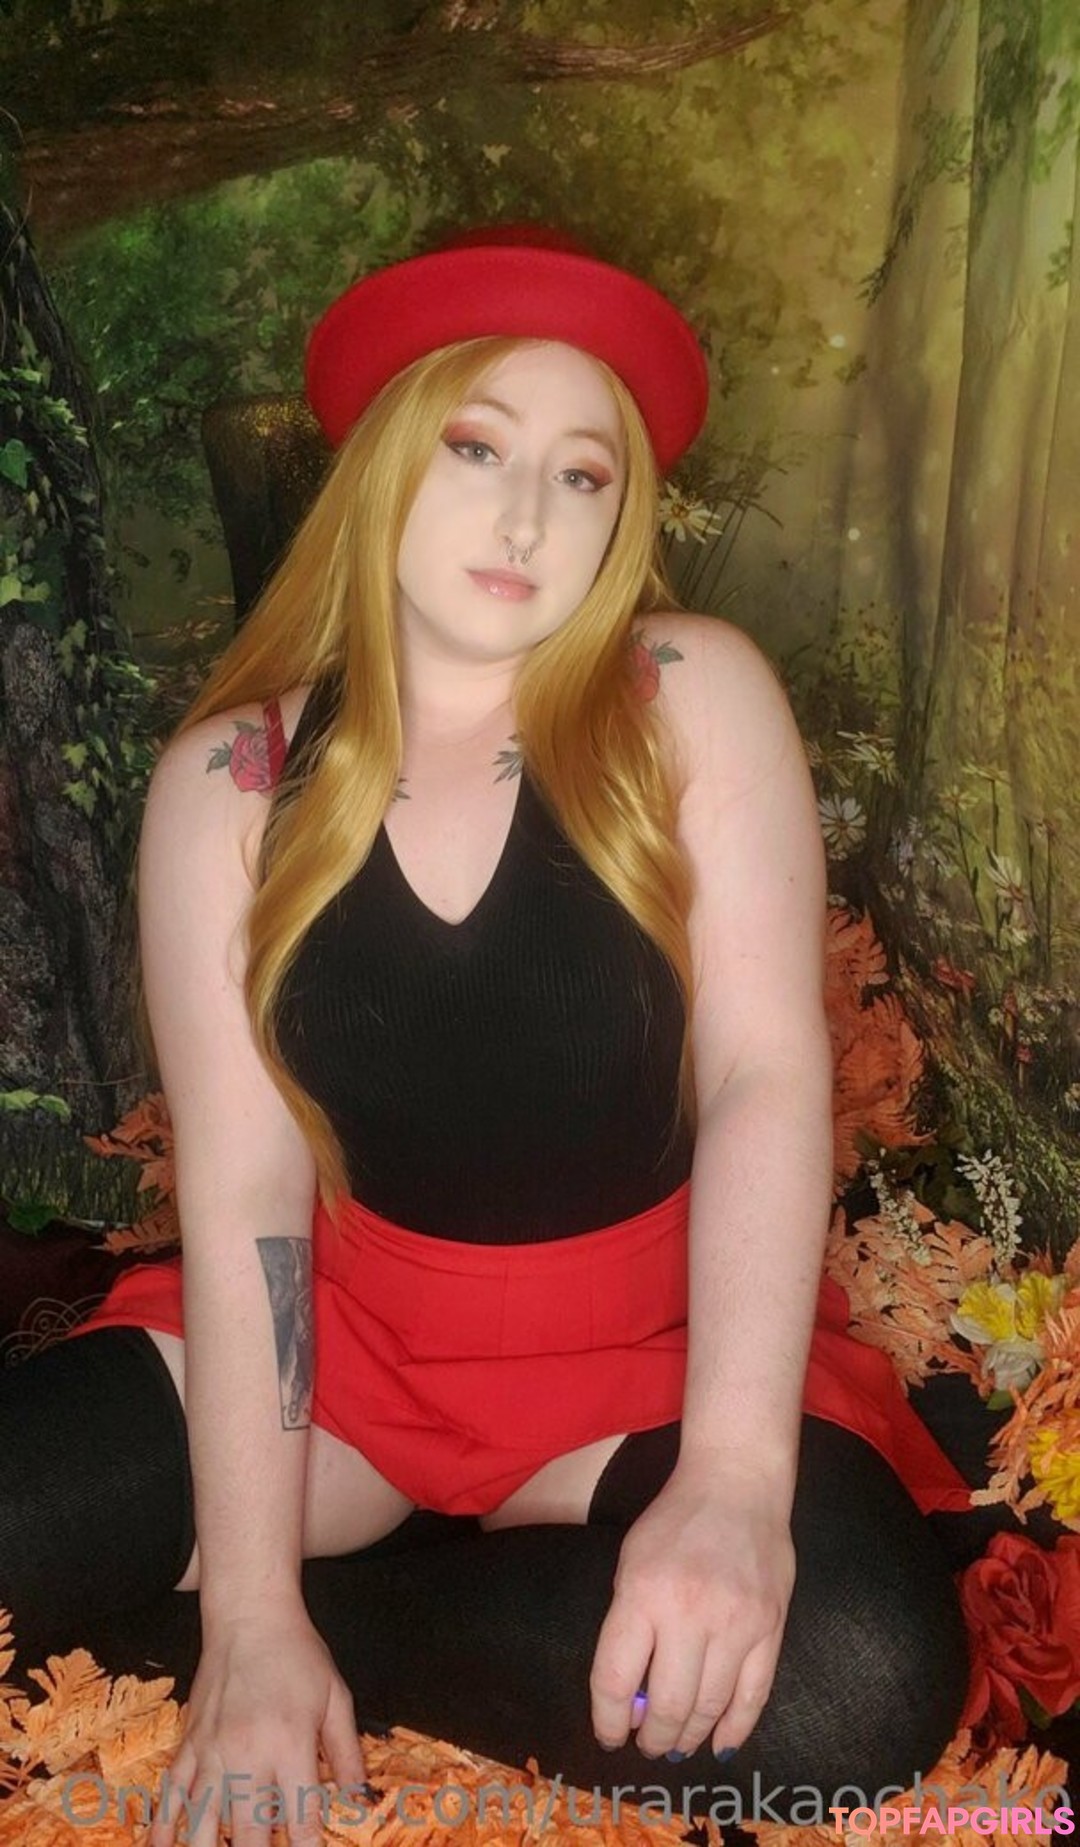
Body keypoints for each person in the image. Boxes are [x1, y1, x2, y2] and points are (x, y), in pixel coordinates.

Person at [0, 226, 972, 1846]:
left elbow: (762, 1078)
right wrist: (252, 1606)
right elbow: (251, 1202)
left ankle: (323, 1645)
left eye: (584, 475)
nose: (528, 515)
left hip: (643, 1366)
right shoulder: (227, 786)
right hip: (350, 1370)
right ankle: (276, 1631)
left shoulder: (689, 696)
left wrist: (732, 1481)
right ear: (384, 458)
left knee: (855, 1674)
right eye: (475, 448)